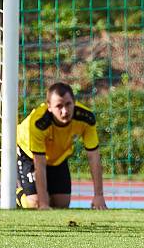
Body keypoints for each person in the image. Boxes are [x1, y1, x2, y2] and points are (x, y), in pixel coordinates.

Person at [15, 82, 107, 210]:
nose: (65, 111)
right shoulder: (39, 124)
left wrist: (99, 195)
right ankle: (18, 193)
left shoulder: (86, 118)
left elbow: (94, 157)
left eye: (68, 104)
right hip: (29, 154)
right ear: (49, 107)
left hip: (57, 157)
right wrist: (43, 204)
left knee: (61, 204)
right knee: (35, 203)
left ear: (74, 102)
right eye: (59, 106)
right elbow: (39, 163)